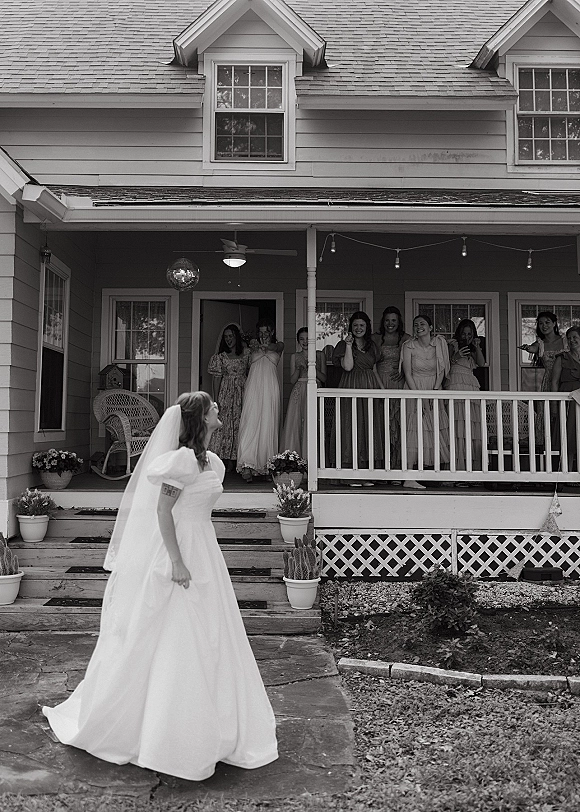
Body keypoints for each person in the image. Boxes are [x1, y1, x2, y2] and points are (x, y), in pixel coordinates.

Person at [43, 392, 278, 780]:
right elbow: (162, 511)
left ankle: (213, 723)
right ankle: (160, 731)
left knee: (211, 632)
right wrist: (176, 561)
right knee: (173, 631)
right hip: (179, 549)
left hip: (205, 548)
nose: (219, 410)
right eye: (213, 408)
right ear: (200, 418)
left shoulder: (214, 463)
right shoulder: (181, 461)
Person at [332, 311, 384, 485]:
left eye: (362, 325)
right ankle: (349, 475)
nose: (358, 328)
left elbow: (375, 370)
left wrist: (383, 391)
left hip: (370, 387)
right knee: (351, 426)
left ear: (367, 327)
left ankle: (366, 473)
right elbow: (347, 367)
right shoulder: (343, 345)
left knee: (368, 428)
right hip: (351, 385)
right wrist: (348, 346)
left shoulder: (372, 346)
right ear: (351, 328)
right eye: (355, 325)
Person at [401, 314, 450, 489]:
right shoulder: (408, 346)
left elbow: (442, 370)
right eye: (415, 324)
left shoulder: (439, 344)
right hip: (414, 388)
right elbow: (407, 373)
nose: (418, 327)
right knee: (413, 432)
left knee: (434, 431)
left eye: (422, 324)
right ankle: (409, 476)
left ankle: (434, 474)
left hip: (433, 388)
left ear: (430, 327)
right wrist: (419, 397)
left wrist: (435, 392)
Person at [237, 319, 284, 482]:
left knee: (268, 423)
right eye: (261, 332)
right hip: (253, 386)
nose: (263, 335)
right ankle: (247, 464)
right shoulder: (251, 346)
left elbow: (274, 347)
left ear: (272, 332)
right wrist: (251, 345)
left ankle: (266, 465)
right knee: (251, 421)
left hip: (270, 386)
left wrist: (263, 345)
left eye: (267, 331)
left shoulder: (279, 346)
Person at [372, 306, 412, 477]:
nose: (390, 324)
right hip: (379, 382)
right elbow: (371, 364)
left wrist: (403, 370)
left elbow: (413, 359)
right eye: (387, 320)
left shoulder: (405, 339)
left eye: (394, 320)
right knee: (380, 424)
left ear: (399, 321)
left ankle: (397, 469)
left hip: (398, 384)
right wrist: (381, 387)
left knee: (397, 425)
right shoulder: (376, 339)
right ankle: (381, 468)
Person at [444, 319, 486, 478]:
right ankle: (455, 469)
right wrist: (456, 355)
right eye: (464, 333)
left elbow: (481, 363)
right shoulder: (452, 344)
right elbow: (444, 365)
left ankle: (471, 469)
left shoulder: (473, 347)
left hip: (470, 384)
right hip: (455, 382)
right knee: (456, 425)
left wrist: (477, 346)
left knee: (470, 425)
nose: (466, 336)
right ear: (459, 333)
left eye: (470, 334)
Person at [207, 323, 250, 472]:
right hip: (226, 392)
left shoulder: (247, 354)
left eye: (231, 336)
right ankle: (224, 460)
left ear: (236, 337)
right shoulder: (220, 357)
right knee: (225, 426)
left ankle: (240, 459)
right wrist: (216, 398)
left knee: (241, 424)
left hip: (243, 392)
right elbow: (216, 378)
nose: (228, 339)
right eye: (226, 337)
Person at [281, 327, 326, 457]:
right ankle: (295, 458)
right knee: (296, 423)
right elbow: (292, 380)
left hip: (314, 389)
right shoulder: (295, 356)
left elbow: (324, 378)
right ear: (298, 341)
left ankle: (312, 457)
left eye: (308, 339)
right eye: (302, 339)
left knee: (312, 422)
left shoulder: (320, 355)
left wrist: (312, 367)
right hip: (299, 390)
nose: (305, 342)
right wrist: (298, 369)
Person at [551, 325, 580, 474]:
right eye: (569, 338)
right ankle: (567, 473)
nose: (572, 340)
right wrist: (555, 406)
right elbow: (554, 382)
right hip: (567, 401)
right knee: (568, 436)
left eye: (575, 337)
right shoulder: (562, 358)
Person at [518, 311, 568, 392]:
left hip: (565, 379)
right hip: (550, 381)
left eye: (547, 322)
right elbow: (533, 348)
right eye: (541, 323)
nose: (544, 326)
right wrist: (528, 348)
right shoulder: (540, 343)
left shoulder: (565, 341)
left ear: (554, 323)